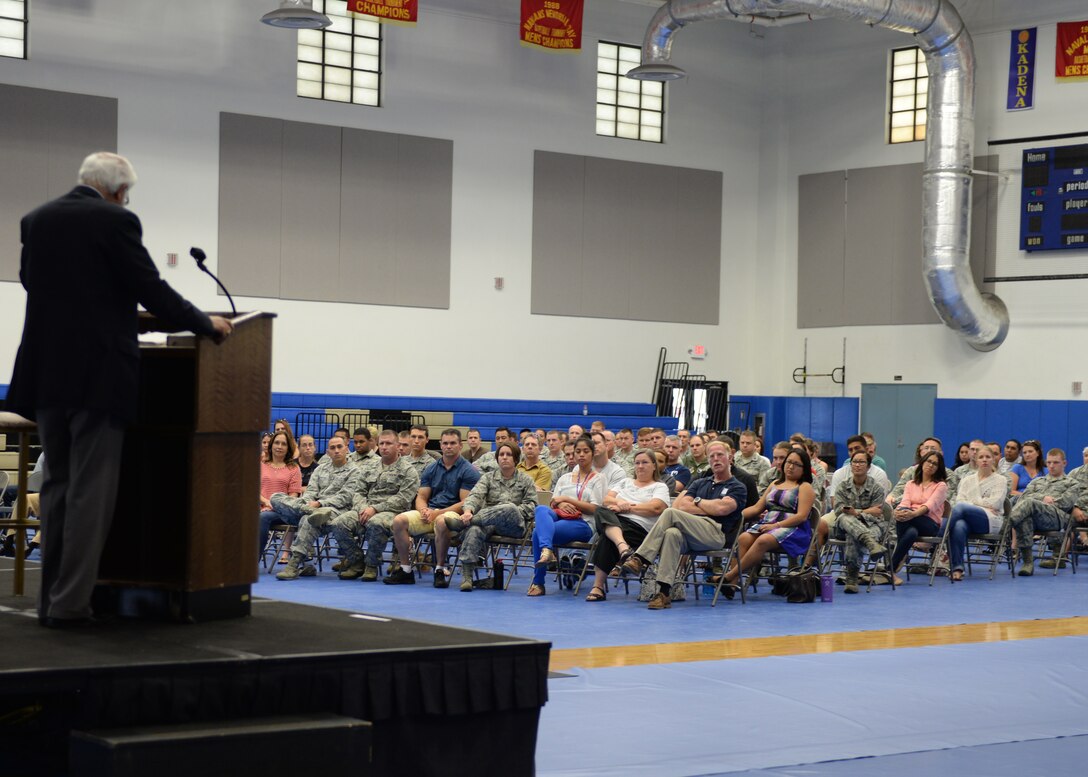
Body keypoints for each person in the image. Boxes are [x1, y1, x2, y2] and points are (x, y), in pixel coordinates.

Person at [5, 151, 233, 628]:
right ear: (118, 190)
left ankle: (50, 602)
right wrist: (203, 322)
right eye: (126, 194)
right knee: (91, 493)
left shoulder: (36, 219)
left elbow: (31, 282)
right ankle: (71, 605)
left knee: (57, 487)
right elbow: (151, 288)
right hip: (98, 377)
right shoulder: (116, 221)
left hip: (46, 375)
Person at [620, 440, 747, 609]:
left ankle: (640, 558)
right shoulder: (700, 482)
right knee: (671, 533)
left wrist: (697, 501)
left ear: (730, 458)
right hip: (690, 532)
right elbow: (681, 505)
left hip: (716, 534)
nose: (716, 459)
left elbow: (722, 509)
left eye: (720, 455)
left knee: (670, 513)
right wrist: (710, 506)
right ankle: (664, 593)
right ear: (708, 460)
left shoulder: (737, 486)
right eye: (712, 456)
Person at [434, 442, 537, 592]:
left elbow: (532, 507)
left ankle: (466, 523)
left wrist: (508, 511)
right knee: (474, 529)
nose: (504, 457)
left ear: (516, 459)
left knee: (508, 507)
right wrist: (468, 511)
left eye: (508, 454)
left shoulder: (526, 480)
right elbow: (475, 496)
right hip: (489, 522)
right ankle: (467, 576)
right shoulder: (488, 478)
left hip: (514, 525)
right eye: (501, 454)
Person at [714, 448, 816, 597]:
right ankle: (732, 585)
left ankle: (729, 576)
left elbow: (801, 516)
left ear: (804, 468)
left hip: (793, 528)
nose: (790, 466)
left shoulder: (805, 487)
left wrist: (776, 525)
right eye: (789, 462)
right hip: (769, 523)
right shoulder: (775, 483)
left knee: (763, 540)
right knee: (743, 538)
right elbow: (757, 508)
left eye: (796, 464)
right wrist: (734, 514)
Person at [387, 428, 480, 588]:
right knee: (399, 520)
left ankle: (439, 569)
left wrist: (437, 513)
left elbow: (465, 503)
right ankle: (406, 569)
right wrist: (423, 510)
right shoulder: (431, 468)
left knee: (442, 522)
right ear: (441, 445)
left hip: (454, 515)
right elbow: (421, 496)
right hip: (431, 512)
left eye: (452, 443)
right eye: (445, 443)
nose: (448, 446)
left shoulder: (469, 471)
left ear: (460, 445)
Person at [328, 429, 420, 582]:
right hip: (365, 509)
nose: (384, 447)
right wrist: (363, 508)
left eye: (388, 443)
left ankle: (371, 565)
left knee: (376, 523)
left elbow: (403, 499)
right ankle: (357, 561)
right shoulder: (369, 467)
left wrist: (375, 509)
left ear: (398, 446)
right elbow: (358, 491)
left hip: (393, 513)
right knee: (338, 523)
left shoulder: (408, 470)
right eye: (381, 443)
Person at [583, 449, 670, 602]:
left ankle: (598, 586)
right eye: (637, 463)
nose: (640, 466)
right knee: (601, 510)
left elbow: (656, 508)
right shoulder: (625, 482)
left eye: (645, 462)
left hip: (639, 529)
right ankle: (623, 548)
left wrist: (626, 507)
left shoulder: (659, 486)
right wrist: (620, 502)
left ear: (654, 466)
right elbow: (606, 500)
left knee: (607, 537)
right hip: (616, 521)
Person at [528, 436, 604, 597]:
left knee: (537, 533)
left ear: (592, 454)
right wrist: (561, 503)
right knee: (541, 509)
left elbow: (595, 509)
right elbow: (553, 502)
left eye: (586, 451)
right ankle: (547, 550)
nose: (581, 454)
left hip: (583, 523)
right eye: (578, 451)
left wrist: (567, 500)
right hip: (561, 517)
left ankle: (538, 582)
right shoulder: (564, 478)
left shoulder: (599, 478)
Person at [1007, 448, 1083, 575]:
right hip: (1036, 517)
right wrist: (1043, 498)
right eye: (1049, 462)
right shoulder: (1037, 481)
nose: (1051, 466)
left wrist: (1038, 501)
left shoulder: (1072, 483)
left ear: (1064, 463)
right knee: (1025, 518)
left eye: (1056, 462)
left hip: (1057, 518)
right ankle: (1027, 563)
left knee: (1030, 503)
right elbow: (1023, 498)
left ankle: (1004, 527)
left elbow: (1064, 503)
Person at [945, 445, 1007, 581]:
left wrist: (971, 503)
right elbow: (959, 500)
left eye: (988, 457)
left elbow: (995, 503)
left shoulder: (1001, 480)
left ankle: (938, 533)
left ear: (993, 460)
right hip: (968, 520)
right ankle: (957, 568)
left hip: (991, 520)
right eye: (981, 457)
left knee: (961, 508)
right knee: (958, 526)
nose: (984, 460)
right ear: (976, 460)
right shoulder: (967, 480)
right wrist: (981, 504)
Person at [889, 451, 949, 583]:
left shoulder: (941, 486)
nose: (931, 465)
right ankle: (892, 570)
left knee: (904, 517)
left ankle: (893, 564)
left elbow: (930, 505)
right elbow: (905, 502)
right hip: (910, 521)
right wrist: (898, 511)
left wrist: (912, 514)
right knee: (911, 533)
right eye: (929, 461)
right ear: (922, 463)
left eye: (935, 464)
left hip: (930, 524)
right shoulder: (910, 484)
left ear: (938, 468)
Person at [257, 431, 303, 556]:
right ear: (271, 445)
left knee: (263, 517)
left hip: (281, 511)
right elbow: (254, 490)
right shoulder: (261, 465)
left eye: (284, 444)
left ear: (288, 448)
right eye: (277, 443)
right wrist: (266, 502)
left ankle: (253, 562)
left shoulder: (293, 468)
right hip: (260, 506)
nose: (279, 446)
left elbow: (293, 495)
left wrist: (275, 505)